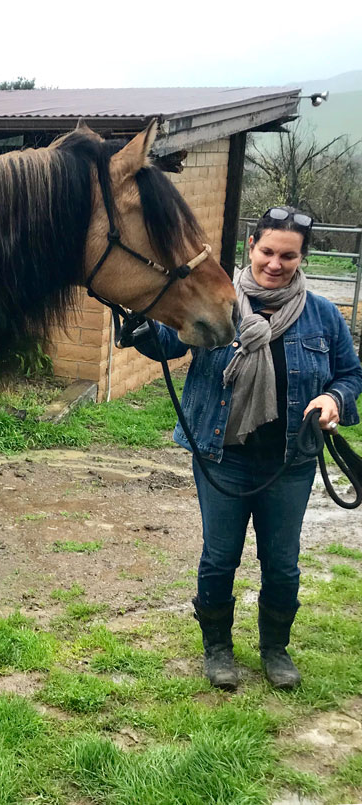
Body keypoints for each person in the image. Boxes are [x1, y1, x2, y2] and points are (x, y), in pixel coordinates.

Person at [136, 206, 362, 691]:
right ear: (251, 248)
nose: (275, 264)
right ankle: (217, 649)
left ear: (302, 258)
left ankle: (275, 649)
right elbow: (165, 344)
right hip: (223, 458)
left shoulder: (322, 314)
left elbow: (351, 373)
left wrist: (333, 397)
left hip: (290, 463)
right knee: (220, 558)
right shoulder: (217, 303)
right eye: (266, 251)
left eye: (288, 256)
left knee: (282, 562)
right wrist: (138, 320)